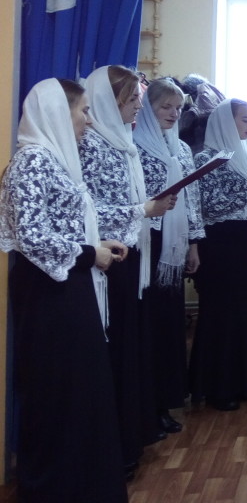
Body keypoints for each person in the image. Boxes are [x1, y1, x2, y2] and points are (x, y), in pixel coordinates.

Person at [0, 78, 129, 502]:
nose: (88, 121)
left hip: (67, 289)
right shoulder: (32, 161)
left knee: (79, 390)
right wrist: (91, 254)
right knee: (56, 393)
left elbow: (62, 226)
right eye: (83, 111)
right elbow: (33, 236)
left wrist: (98, 244)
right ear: (58, 112)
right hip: (49, 296)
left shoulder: (54, 159)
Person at [81, 65, 174, 474]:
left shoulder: (124, 142)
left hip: (132, 253)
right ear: (109, 100)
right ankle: (112, 450)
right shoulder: (90, 144)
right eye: (132, 99)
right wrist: (143, 210)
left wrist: (150, 208)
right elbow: (88, 210)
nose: (139, 106)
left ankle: (129, 440)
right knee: (114, 353)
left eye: (138, 97)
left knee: (130, 349)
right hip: (107, 258)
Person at [189, 98, 247, 410]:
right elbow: (209, 205)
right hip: (222, 245)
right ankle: (220, 389)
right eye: (245, 120)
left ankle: (246, 381)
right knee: (224, 317)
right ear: (226, 122)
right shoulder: (207, 158)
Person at [134, 77, 205, 435]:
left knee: (168, 325)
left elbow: (191, 200)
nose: (174, 113)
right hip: (146, 243)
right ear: (148, 108)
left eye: (178, 108)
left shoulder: (182, 149)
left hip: (174, 246)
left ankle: (164, 402)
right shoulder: (134, 146)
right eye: (165, 106)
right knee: (147, 326)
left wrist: (193, 243)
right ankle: (145, 408)